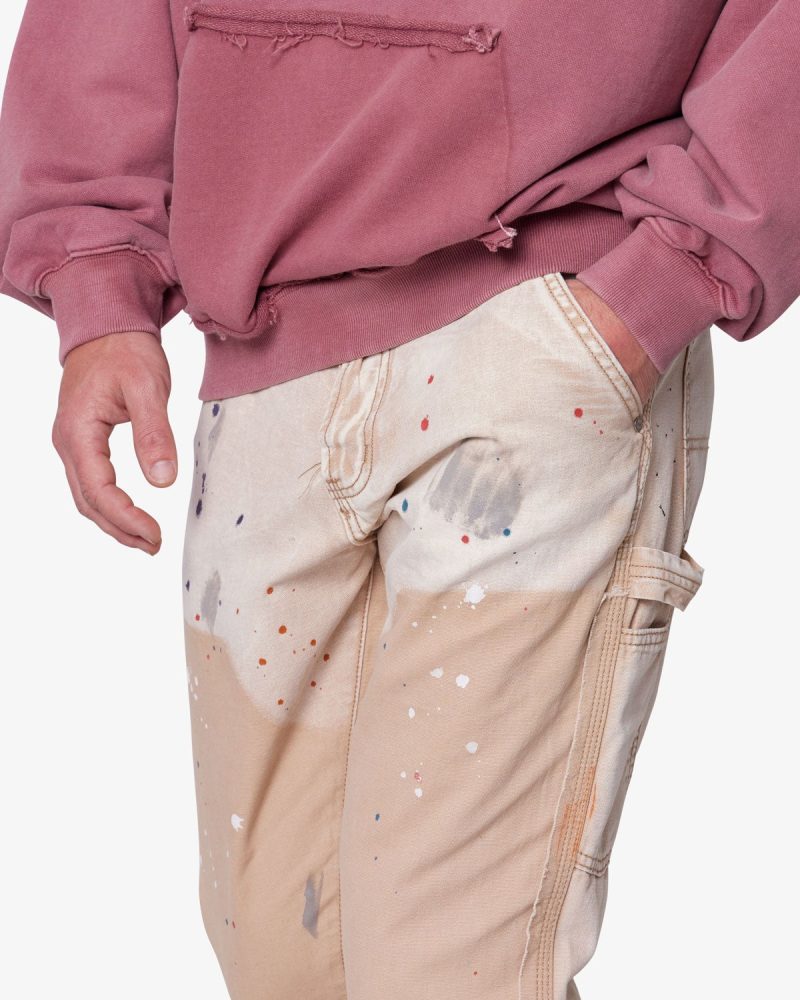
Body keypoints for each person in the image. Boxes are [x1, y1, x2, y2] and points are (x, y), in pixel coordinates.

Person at [0, 2, 797, 997]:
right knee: (277, 951)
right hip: (261, 348)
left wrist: (671, 272)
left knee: (451, 966)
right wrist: (97, 278)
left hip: (537, 325)